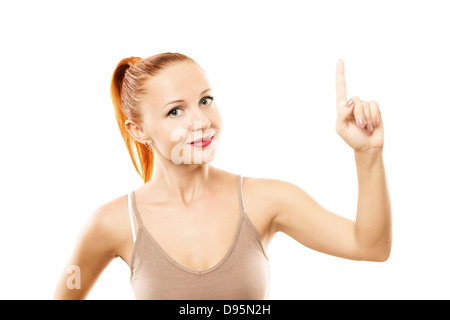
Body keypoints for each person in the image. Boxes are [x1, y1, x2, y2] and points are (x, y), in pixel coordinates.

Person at [53, 52, 391, 300]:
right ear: (138, 130)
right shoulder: (112, 223)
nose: (201, 121)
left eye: (205, 100)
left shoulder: (266, 200)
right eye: (175, 111)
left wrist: (368, 154)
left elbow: (370, 246)